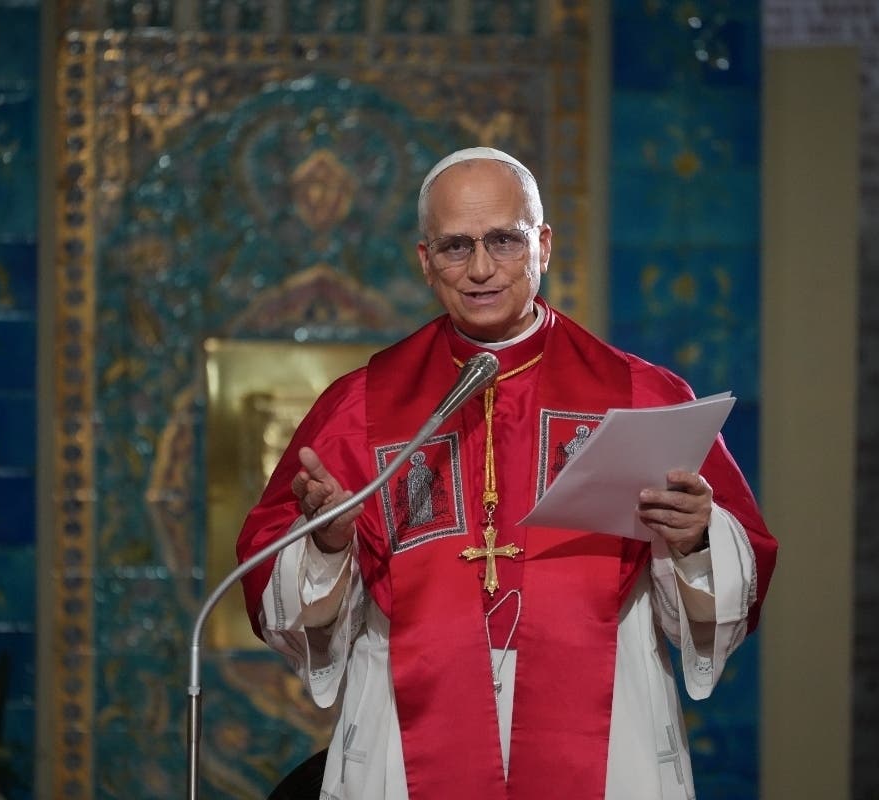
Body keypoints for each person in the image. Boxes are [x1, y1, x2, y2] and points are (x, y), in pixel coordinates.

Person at [237, 147, 778, 800]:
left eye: (504, 240)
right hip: (408, 734)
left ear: (542, 244)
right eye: (456, 246)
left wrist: (695, 538)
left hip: (608, 730)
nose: (481, 269)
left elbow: (740, 568)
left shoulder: (641, 396)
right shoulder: (359, 409)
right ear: (425, 261)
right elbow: (274, 582)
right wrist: (326, 545)